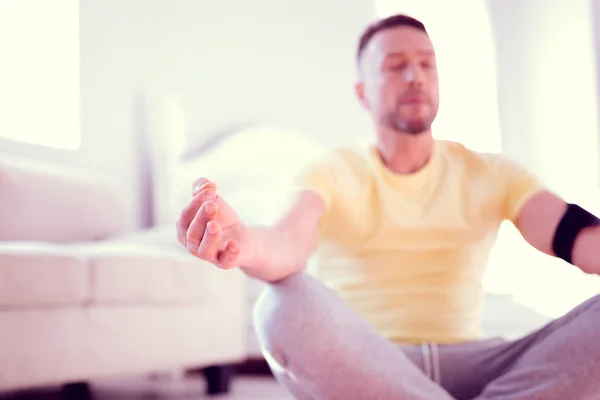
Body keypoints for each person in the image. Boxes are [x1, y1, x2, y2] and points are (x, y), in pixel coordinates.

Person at [176, 14, 600, 400]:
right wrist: (243, 243)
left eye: (426, 64)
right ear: (363, 93)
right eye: (395, 65)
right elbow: (287, 242)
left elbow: (571, 233)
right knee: (278, 305)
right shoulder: (334, 170)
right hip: (367, 369)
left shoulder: (493, 172)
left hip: (482, 367)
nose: (414, 75)